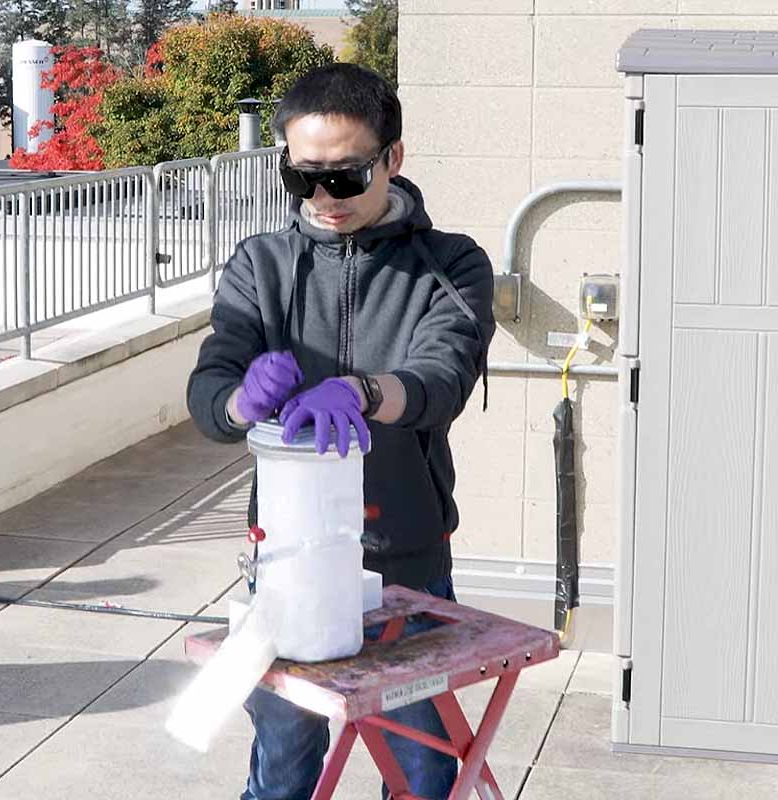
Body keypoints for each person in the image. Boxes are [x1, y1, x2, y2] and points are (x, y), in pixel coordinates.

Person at [186, 62, 495, 800]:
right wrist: (239, 401)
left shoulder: (450, 265)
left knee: (419, 762)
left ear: (392, 158)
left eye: (346, 177)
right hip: (290, 559)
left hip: (407, 560)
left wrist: (360, 391)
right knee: (285, 754)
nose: (324, 199)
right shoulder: (261, 265)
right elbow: (209, 393)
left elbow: (439, 381)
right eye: (303, 178)